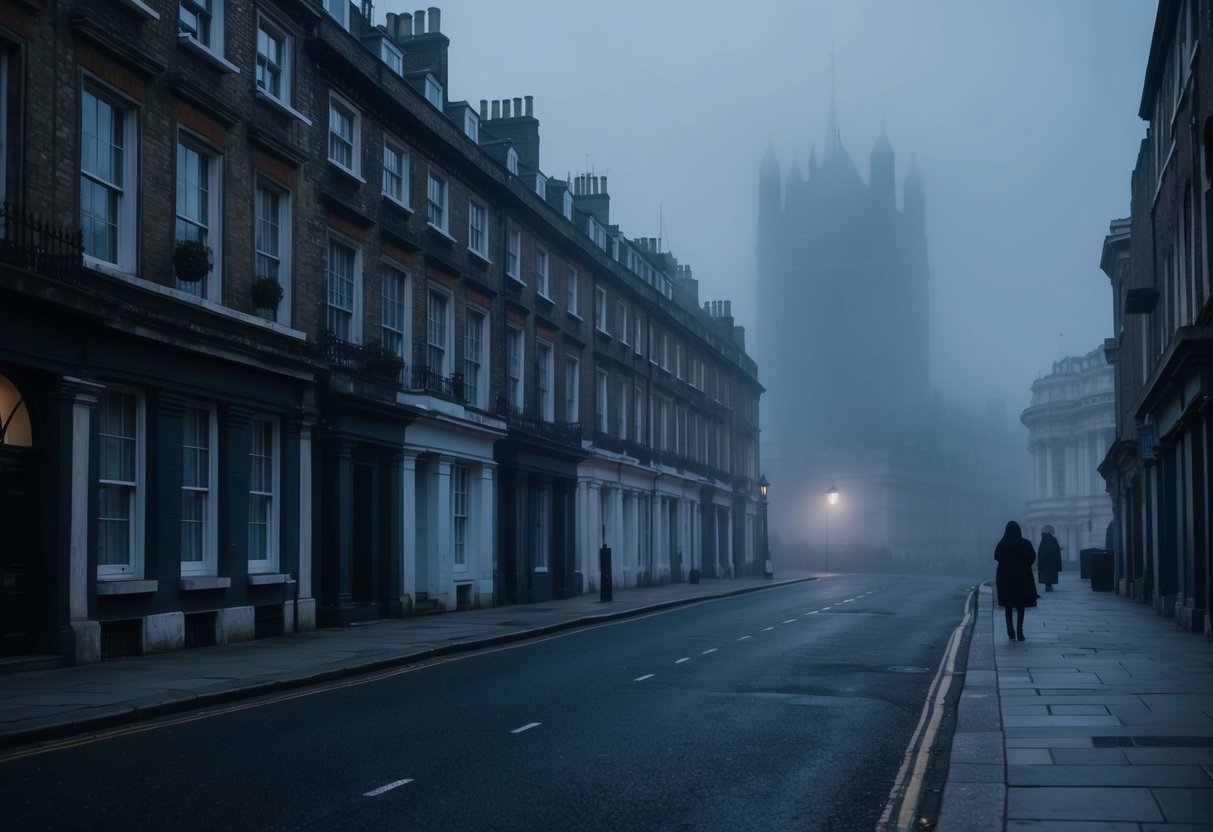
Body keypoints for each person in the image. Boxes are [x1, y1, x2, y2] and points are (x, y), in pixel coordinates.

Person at [995, 521, 1039, 641]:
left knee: (1008, 605)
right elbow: (1032, 557)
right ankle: (1020, 631)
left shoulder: (1002, 543)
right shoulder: (1025, 543)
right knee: (1021, 605)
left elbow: (996, 556)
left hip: (1006, 578)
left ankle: (1010, 630)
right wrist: (1024, 565)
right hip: (1021, 578)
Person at [1037, 525, 1062, 591]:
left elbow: (1040, 553)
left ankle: (1047, 586)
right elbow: (1056, 551)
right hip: (1052, 563)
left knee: (1046, 575)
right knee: (1050, 575)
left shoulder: (1043, 541)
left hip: (1044, 563)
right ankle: (1049, 586)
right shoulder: (1053, 540)